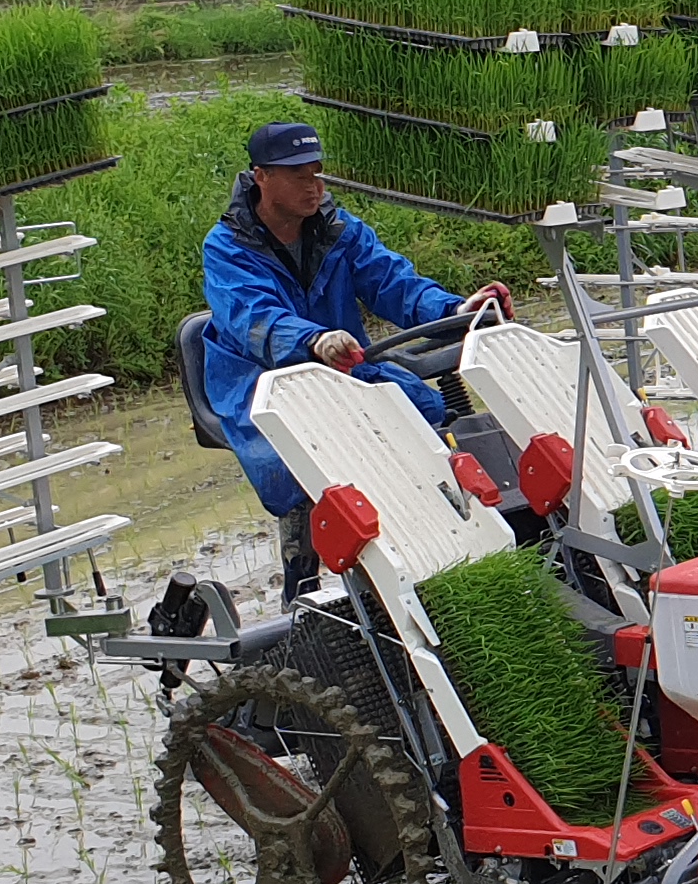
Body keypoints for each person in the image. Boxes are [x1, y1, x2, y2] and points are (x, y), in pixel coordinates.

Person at [201, 120, 507, 592]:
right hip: (260, 383)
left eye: (318, 172)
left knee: (424, 412)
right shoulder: (226, 249)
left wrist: (455, 310)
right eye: (299, 174)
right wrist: (312, 341)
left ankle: (433, 546)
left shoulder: (340, 230)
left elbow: (393, 282)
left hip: (342, 364)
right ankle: (302, 580)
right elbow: (252, 317)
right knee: (305, 461)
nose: (314, 185)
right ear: (261, 177)